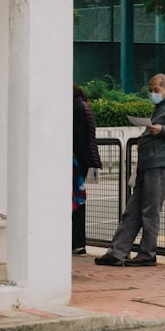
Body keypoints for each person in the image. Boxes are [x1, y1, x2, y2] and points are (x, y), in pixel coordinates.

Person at [95, 73, 165, 266]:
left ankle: (147, 254)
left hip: (160, 165)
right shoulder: (160, 108)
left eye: (156, 90)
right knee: (132, 211)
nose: (152, 93)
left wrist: (163, 130)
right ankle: (117, 252)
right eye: (150, 90)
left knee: (150, 211)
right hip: (148, 164)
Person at [73, 84, 103, 255]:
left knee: (76, 201)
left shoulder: (77, 107)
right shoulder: (83, 105)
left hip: (80, 161)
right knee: (78, 200)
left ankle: (78, 242)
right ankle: (78, 242)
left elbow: (77, 137)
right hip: (87, 160)